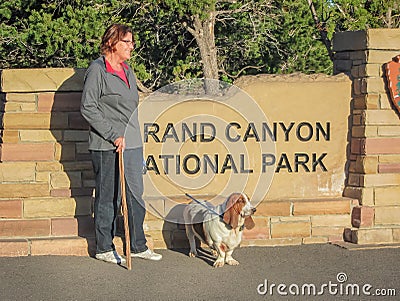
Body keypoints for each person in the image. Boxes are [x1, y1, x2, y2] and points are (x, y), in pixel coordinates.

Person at [81, 23, 162, 264]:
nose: (132, 46)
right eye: (127, 42)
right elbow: (88, 107)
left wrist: (136, 141)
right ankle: (104, 247)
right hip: (107, 145)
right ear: (112, 43)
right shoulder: (97, 70)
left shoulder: (128, 70)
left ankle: (138, 245)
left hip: (133, 144)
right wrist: (112, 133)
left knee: (135, 194)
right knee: (109, 196)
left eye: (132, 42)